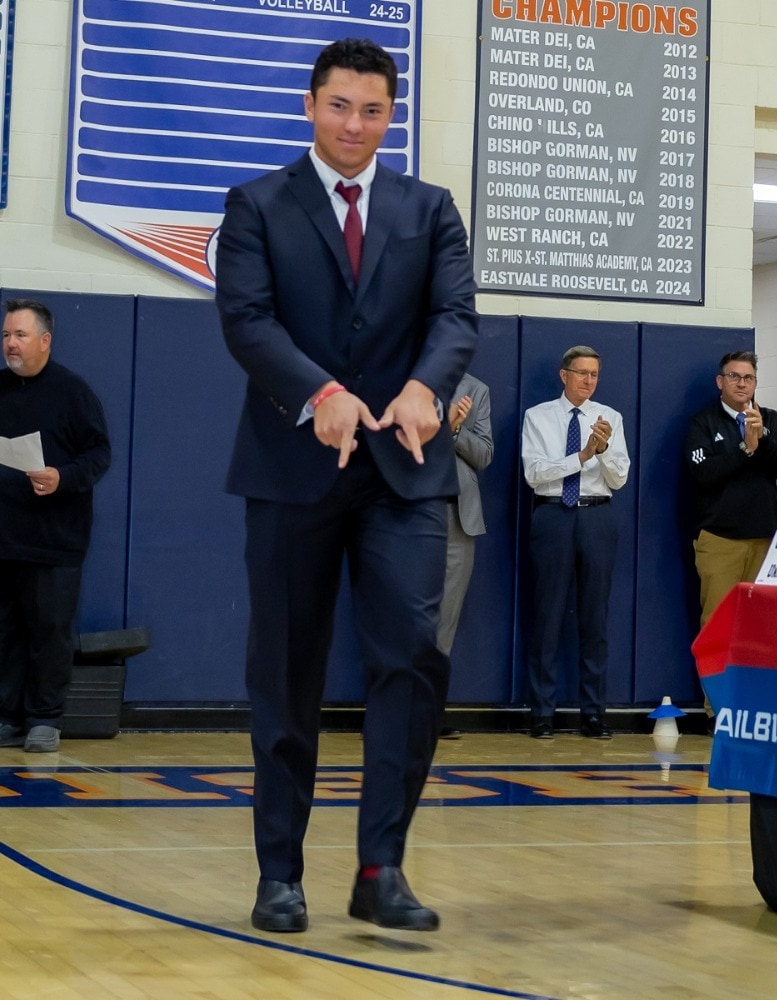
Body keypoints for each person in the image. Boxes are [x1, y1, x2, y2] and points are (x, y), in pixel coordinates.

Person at [214, 38, 478, 934]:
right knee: (285, 673)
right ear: (309, 104)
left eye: (371, 110)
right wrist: (318, 392)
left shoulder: (430, 207)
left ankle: (381, 869)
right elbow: (247, 322)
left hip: (404, 473)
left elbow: (453, 316)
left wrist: (421, 389)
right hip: (293, 471)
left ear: (390, 114)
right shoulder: (255, 205)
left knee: (409, 660)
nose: (354, 125)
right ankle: (279, 876)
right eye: (338, 106)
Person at [0, 299, 111, 753]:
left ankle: (45, 719)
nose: (10, 344)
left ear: (45, 341)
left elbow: (98, 455)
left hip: (55, 540)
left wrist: (63, 477)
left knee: (50, 632)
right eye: (6, 335)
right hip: (4, 538)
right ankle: (7, 717)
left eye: (20, 336)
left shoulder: (73, 393)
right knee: (4, 633)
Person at [521, 346, 629, 741]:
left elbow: (619, 478)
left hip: (597, 515)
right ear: (563, 374)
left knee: (594, 617)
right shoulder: (538, 416)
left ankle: (594, 713)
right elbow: (535, 474)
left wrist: (599, 454)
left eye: (595, 374)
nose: (588, 380)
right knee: (547, 615)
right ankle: (542, 712)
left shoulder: (610, 417)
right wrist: (582, 454)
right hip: (552, 515)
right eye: (581, 373)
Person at [685, 351, 777, 631]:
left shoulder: (772, 420)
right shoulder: (703, 422)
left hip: (765, 540)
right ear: (720, 381)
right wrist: (745, 450)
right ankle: (713, 678)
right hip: (721, 541)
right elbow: (703, 472)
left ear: (755, 384)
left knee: (760, 626)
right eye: (734, 376)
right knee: (718, 625)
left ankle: (752, 677)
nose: (741, 383)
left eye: (748, 378)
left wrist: (763, 438)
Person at [437, 374, 493, 739]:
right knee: (398, 614)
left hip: (458, 518)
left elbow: (485, 454)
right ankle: (389, 709)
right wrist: (443, 428)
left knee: (445, 618)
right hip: (408, 512)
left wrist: (457, 433)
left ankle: (429, 711)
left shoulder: (476, 389)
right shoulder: (402, 375)